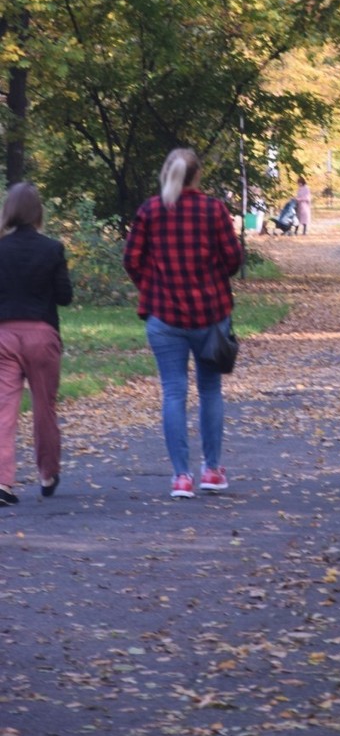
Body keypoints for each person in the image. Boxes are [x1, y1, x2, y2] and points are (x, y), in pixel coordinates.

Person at [123, 148, 243, 499]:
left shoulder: (150, 210)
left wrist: (153, 285)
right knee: (210, 391)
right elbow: (234, 259)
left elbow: (131, 259)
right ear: (197, 175)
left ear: (167, 172)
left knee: (173, 392)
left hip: (164, 315)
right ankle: (212, 470)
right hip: (211, 314)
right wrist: (212, 277)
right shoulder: (214, 209)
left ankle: (180, 477)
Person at [0, 183, 73, 505]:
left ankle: (2, 482)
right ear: (38, 212)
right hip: (42, 335)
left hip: (4, 336)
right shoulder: (52, 248)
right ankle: (47, 473)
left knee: (4, 409)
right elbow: (65, 297)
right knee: (45, 407)